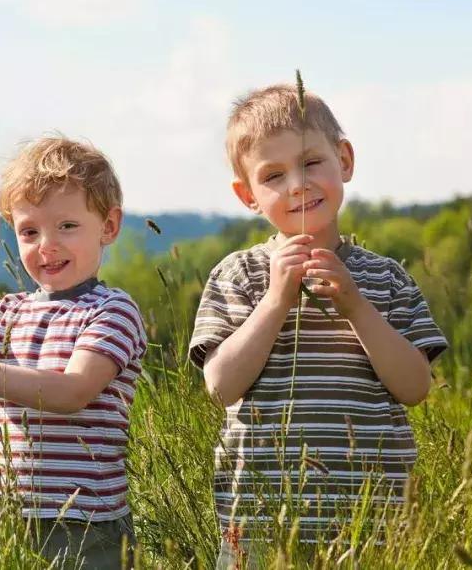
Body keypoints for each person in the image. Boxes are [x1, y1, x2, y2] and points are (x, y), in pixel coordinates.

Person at [189, 85, 448, 567]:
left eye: (311, 163)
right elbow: (221, 386)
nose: (297, 185)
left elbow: (415, 387)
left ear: (344, 161)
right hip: (260, 522)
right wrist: (275, 300)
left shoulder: (387, 278)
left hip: (372, 522)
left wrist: (356, 305)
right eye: (273, 175)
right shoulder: (239, 275)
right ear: (247, 195)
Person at [0, 136, 146, 568]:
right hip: (5, 515)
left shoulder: (113, 310)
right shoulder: (7, 310)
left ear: (109, 226)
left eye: (67, 226)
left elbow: (72, 391)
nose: (46, 245)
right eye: (29, 231)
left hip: (85, 523)